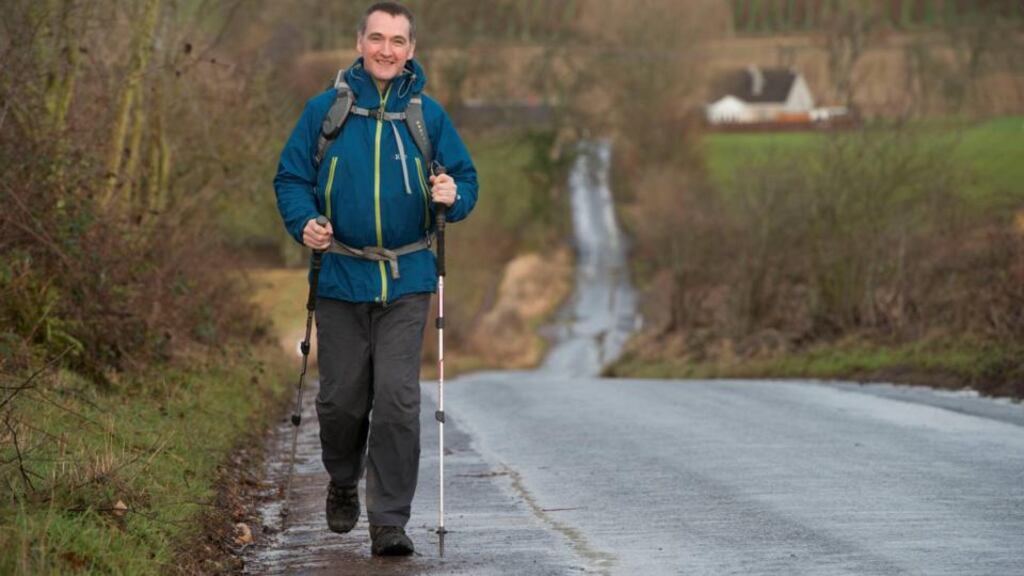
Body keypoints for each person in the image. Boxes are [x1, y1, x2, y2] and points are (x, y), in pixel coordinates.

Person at [273, 1, 477, 557]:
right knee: (341, 403)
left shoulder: (428, 117)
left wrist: (453, 196)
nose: (387, 49)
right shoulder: (325, 111)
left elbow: (465, 179)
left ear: (412, 51)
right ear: (360, 43)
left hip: (408, 278)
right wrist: (305, 222)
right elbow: (291, 179)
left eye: (398, 41)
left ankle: (388, 520)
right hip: (340, 276)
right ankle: (342, 478)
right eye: (378, 38)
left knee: (397, 400)